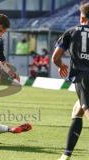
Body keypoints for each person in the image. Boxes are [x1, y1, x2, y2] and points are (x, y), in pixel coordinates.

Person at [52, 3, 89, 160]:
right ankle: (66, 155)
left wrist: (61, 66)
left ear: (81, 17)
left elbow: (56, 57)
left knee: (86, 110)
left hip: (83, 77)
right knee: (77, 111)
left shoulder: (71, 31)